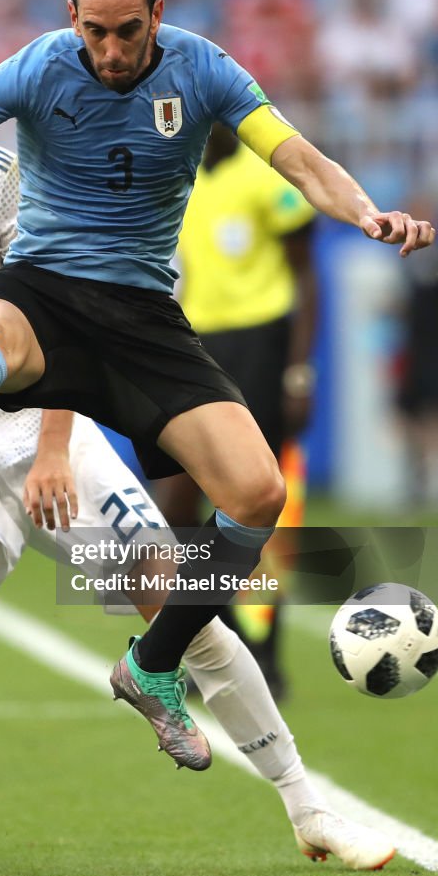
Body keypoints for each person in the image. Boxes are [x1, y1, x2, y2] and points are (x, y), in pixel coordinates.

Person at [0, 43, 397, 876]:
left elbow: (54, 310)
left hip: (43, 418)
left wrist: (51, 444)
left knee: (183, 606)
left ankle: (312, 809)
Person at [154, 123, 318, 701]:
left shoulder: (267, 177)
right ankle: (210, 643)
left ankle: (267, 657)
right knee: (188, 502)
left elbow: (305, 274)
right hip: (200, 348)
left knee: (260, 501)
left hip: (263, 346)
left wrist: (299, 369)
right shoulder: (182, 182)